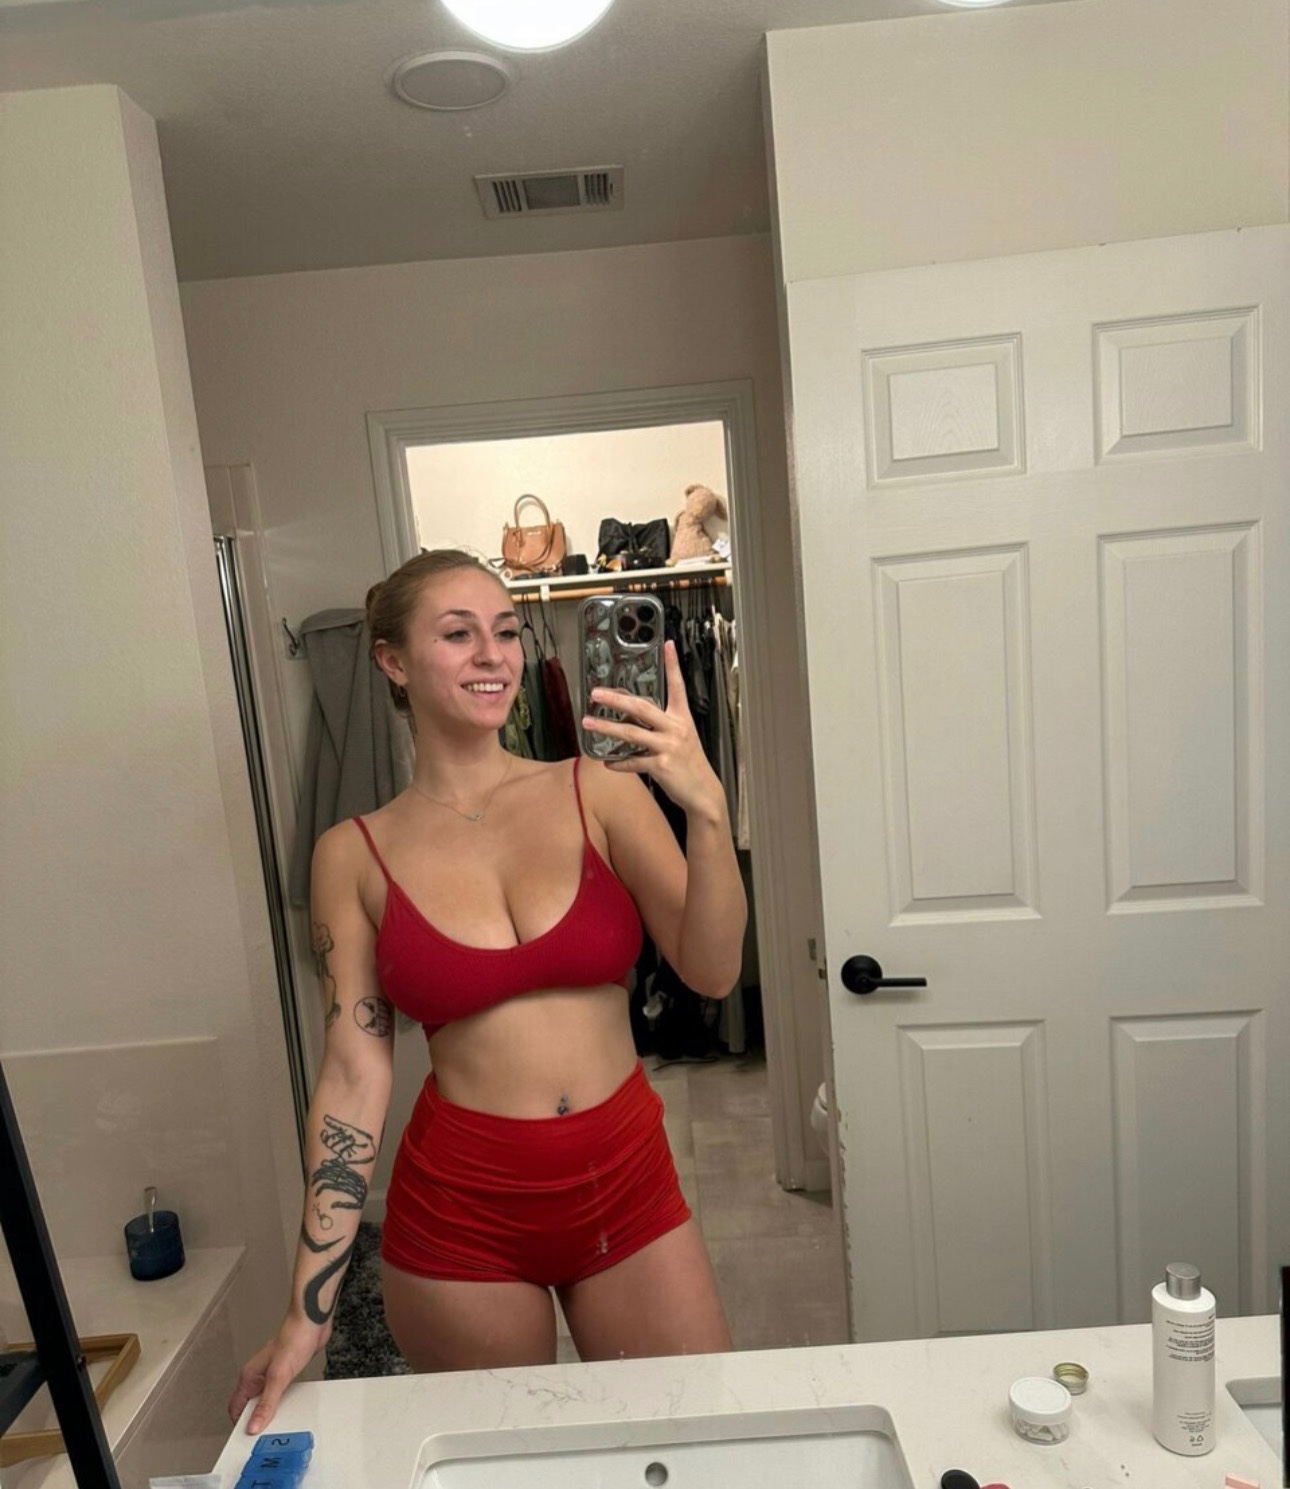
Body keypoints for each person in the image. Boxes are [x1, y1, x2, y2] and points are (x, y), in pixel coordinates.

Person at [229, 548, 747, 1433]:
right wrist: (306, 1310)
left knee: (699, 1442)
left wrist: (707, 808)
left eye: (506, 632)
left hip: (625, 1179)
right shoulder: (351, 854)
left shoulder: (598, 789)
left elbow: (713, 968)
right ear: (392, 660)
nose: (494, 655)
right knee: (505, 1464)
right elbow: (353, 1076)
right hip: (461, 1214)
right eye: (457, 634)